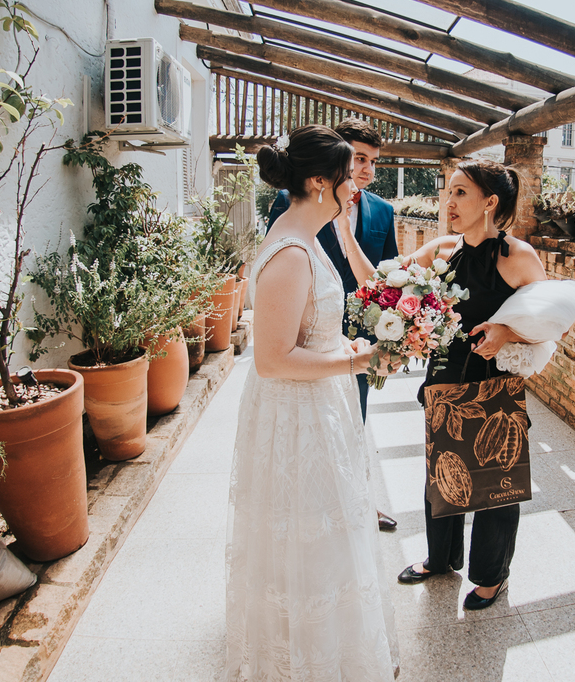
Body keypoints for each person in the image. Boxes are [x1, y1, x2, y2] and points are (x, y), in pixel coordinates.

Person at [225, 125, 399, 682]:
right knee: (310, 538)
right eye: (350, 176)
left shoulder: (300, 232)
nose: (358, 186)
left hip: (319, 407)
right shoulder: (294, 252)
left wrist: (342, 345)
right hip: (297, 419)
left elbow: (305, 330)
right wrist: (359, 361)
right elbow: (272, 359)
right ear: (321, 181)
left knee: (326, 540)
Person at [338, 158, 547, 610]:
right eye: (448, 191)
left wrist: (507, 333)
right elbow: (379, 284)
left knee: (495, 485)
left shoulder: (518, 257)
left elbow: (552, 323)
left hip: (495, 386)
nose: (448, 202)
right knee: (441, 473)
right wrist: (343, 230)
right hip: (445, 381)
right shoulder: (442, 251)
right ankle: (440, 558)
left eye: (460, 193)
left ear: (490, 202)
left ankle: (493, 577)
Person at [269, 118, 401, 532]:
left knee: (351, 421)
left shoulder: (381, 210)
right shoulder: (293, 217)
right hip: (304, 341)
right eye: (355, 161)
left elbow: (387, 283)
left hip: (354, 341)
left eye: (371, 162)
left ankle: (355, 496)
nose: (363, 171)